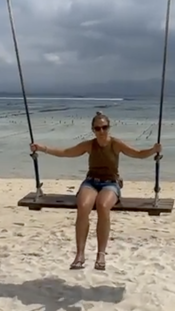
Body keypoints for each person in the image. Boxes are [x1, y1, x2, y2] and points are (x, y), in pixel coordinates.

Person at [30, 111, 161, 271]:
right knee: (83, 207)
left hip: (110, 184)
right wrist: (42, 148)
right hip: (91, 182)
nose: (101, 131)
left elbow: (138, 154)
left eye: (104, 127)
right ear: (93, 130)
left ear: (109, 128)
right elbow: (66, 153)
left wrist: (153, 150)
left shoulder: (116, 144)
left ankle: (101, 253)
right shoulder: (89, 145)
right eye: (97, 128)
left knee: (103, 206)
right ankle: (80, 254)